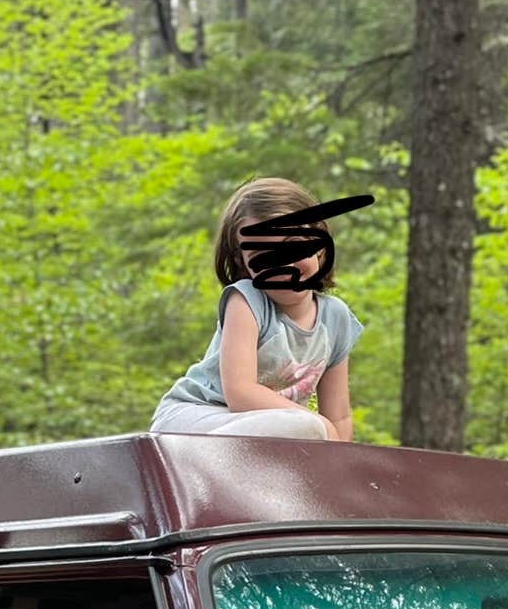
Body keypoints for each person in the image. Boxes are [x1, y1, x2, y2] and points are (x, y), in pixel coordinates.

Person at [151, 176, 362, 441]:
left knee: (306, 433)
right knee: (306, 429)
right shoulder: (247, 301)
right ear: (244, 264)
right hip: (194, 418)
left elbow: (339, 416)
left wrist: (341, 470)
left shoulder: (336, 318)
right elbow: (240, 393)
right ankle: (199, 457)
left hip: (265, 429)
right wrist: (316, 425)